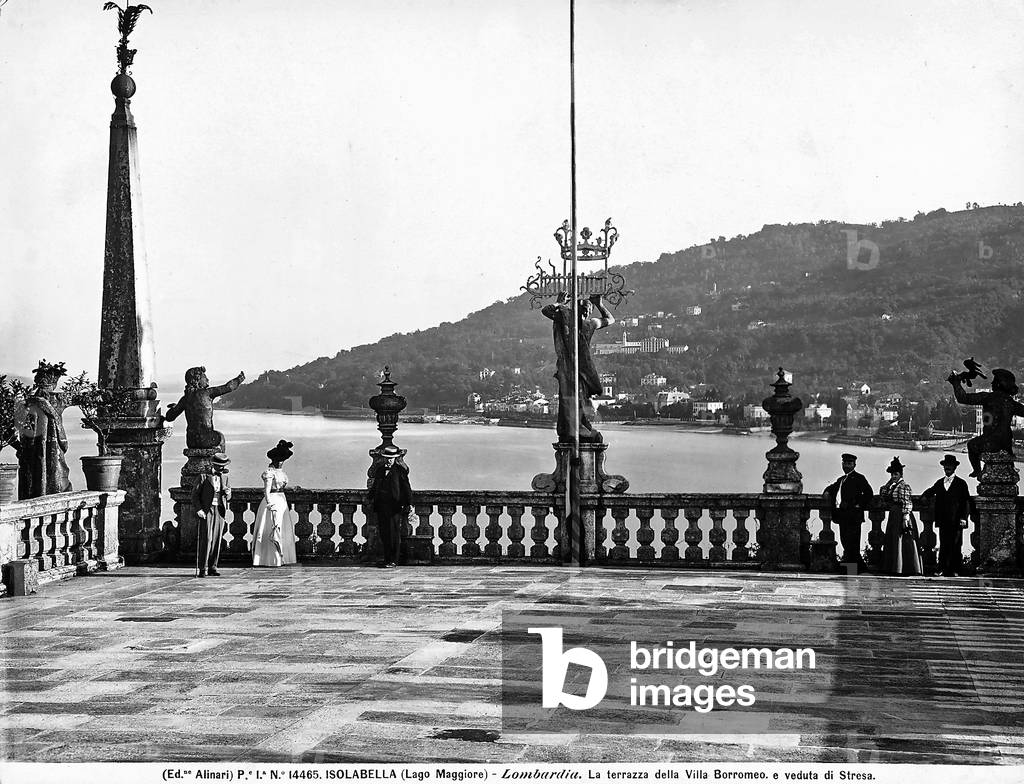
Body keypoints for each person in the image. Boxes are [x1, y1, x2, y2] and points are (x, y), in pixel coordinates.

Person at [541, 291, 614, 443]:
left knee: (581, 398)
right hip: (567, 369)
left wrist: (599, 304)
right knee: (569, 398)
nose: (587, 311)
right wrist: (560, 303)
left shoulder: (590, 324)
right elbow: (546, 311)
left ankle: (582, 426)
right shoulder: (565, 319)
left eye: (589, 308)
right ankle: (572, 429)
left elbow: (610, 319)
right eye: (584, 308)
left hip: (583, 369)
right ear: (576, 309)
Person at [948, 367, 1024, 477]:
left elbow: (963, 398)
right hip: (1006, 442)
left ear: (999, 384)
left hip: (991, 440)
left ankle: (977, 470)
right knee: (1008, 464)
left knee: (972, 445)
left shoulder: (988, 397)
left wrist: (956, 383)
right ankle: (1010, 469)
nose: (992, 383)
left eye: (995, 381)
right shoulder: (1011, 403)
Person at [18, 360, 72, 499]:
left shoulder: (26, 403)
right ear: (53, 384)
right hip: (52, 455)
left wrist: (21, 448)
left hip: (31, 460)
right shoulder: (58, 399)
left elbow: (19, 433)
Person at [165, 366, 245, 450]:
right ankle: (220, 461)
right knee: (220, 437)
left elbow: (170, 417)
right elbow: (228, 387)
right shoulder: (207, 393)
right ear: (197, 380)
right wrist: (239, 379)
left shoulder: (185, 399)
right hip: (206, 439)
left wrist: (175, 407)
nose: (207, 379)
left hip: (191, 441)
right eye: (205, 377)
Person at [921, 454, 971, 577]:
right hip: (943, 520)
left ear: (955, 467)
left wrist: (964, 518)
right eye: (945, 466)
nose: (947, 468)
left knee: (956, 545)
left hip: (956, 521)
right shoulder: (939, 483)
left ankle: (955, 570)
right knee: (943, 544)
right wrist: (924, 497)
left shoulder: (961, 484)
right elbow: (930, 491)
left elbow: (966, 502)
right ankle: (941, 568)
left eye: (950, 466)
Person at [822, 453, 873, 571]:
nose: (846, 465)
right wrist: (827, 492)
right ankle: (852, 568)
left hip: (854, 517)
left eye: (849, 463)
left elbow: (868, 494)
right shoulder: (841, 480)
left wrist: (857, 504)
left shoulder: (859, 478)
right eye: (844, 463)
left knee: (853, 543)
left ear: (854, 465)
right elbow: (832, 487)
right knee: (845, 541)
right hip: (843, 516)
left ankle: (855, 569)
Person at [251, 440, 298, 567]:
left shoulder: (280, 472)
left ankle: (283, 557)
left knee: (282, 528)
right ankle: (270, 559)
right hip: (272, 500)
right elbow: (266, 491)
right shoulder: (269, 472)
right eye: (280, 459)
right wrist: (269, 504)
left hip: (282, 500)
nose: (282, 462)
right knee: (271, 528)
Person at [367, 444, 412, 568]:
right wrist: (369, 499)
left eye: (391, 458)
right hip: (381, 507)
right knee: (384, 534)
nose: (388, 461)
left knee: (394, 534)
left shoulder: (400, 471)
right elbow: (375, 486)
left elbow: (406, 489)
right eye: (387, 458)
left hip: (395, 508)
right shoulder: (380, 470)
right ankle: (387, 559)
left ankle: (393, 560)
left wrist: (408, 503)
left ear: (395, 459)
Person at [878, 457, 924, 576]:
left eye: (896, 474)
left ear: (901, 474)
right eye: (892, 474)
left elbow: (907, 502)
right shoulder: (893, 486)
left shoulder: (903, 486)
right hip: (894, 515)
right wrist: (889, 483)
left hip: (901, 514)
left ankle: (904, 567)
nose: (893, 476)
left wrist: (905, 518)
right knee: (894, 539)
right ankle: (894, 567)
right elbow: (882, 493)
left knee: (902, 539)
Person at [191, 452, 232, 577]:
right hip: (207, 510)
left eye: (223, 465)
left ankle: (213, 567)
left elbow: (228, 497)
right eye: (219, 465)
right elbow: (195, 495)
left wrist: (228, 493)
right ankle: (203, 568)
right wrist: (199, 510)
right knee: (206, 539)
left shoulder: (225, 478)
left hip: (219, 510)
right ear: (213, 464)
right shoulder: (203, 476)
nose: (222, 468)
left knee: (217, 539)